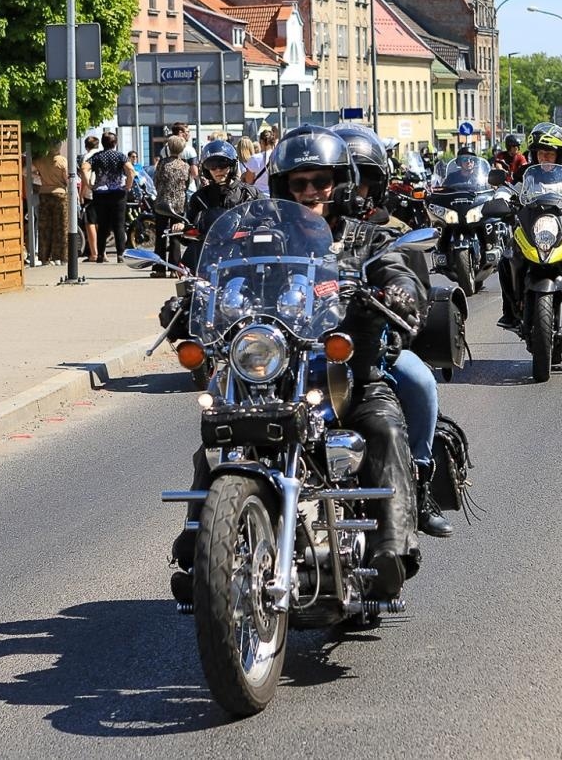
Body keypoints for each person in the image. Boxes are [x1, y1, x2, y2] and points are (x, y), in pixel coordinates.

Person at [166, 126, 425, 603]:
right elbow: (223, 279)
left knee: (385, 427)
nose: (310, 192)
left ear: (338, 182)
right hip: (276, 371)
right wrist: (190, 302)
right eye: (299, 184)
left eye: (320, 182)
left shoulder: (364, 238)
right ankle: (199, 547)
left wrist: (400, 291)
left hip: (348, 376)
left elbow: (398, 269)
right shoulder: (257, 239)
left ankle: (392, 549)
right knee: (219, 428)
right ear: (283, 188)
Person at [336, 122, 452, 539]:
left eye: (363, 179)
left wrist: (398, 301)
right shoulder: (301, 227)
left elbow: (413, 287)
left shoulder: (392, 231)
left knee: (419, 380)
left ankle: (419, 484)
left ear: (378, 183)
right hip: (306, 346)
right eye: (345, 178)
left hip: (376, 346)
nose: (354, 190)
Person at [497, 122, 562, 333]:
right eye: (540, 153)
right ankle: (509, 311)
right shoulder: (527, 173)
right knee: (506, 259)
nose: (544, 158)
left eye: (549, 153)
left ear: (560, 155)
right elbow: (507, 190)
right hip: (531, 225)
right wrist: (499, 199)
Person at [180, 139, 260, 271]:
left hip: (243, 258)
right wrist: (182, 227)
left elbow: (269, 215)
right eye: (212, 166)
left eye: (222, 165)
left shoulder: (249, 193)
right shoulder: (200, 197)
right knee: (187, 287)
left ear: (232, 165)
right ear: (206, 169)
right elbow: (189, 228)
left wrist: (263, 225)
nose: (218, 170)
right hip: (208, 259)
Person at [87, 132, 132, 263]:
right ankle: (120, 254)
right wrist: (128, 185)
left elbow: (84, 168)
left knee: (102, 224)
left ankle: (100, 254)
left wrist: (90, 184)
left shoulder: (97, 157)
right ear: (115, 143)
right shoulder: (120, 156)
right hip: (118, 193)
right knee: (119, 224)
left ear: (102, 143)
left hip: (100, 193)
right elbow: (130, 170)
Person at [151, 135, 191, 274]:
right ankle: (175, 268)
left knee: (161, 234)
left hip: (163, 202)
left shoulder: (162, 164)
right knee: (176, 235)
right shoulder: (185, 165)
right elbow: (187, 184)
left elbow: (156, 181)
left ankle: (159, 268)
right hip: (179, 203)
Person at [33, 141, 69, 266]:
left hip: (44, 194)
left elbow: (25, 171)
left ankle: (44, 257)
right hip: (60, 194)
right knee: (61, 226)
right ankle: (60, 257)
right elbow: (67, 179)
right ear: (59, 147)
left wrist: (39, 177)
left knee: (44, 226)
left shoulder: (41, 160)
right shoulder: (62, 161)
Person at [78, 134, 101, 261]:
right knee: (100, 222)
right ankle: (103, 252)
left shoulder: (87, 157)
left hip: (90, 193)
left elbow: (84, 178)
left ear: (86, 146)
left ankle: (94, 253)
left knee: (90, 223)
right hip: (104, 192)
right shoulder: (103, 154)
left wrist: (81, 194)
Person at [242, 128, 274, 194]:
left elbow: (249, 181)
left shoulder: (255, 158)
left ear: (261, 142)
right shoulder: (278, 156)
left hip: (258, 196)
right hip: (275, 196)